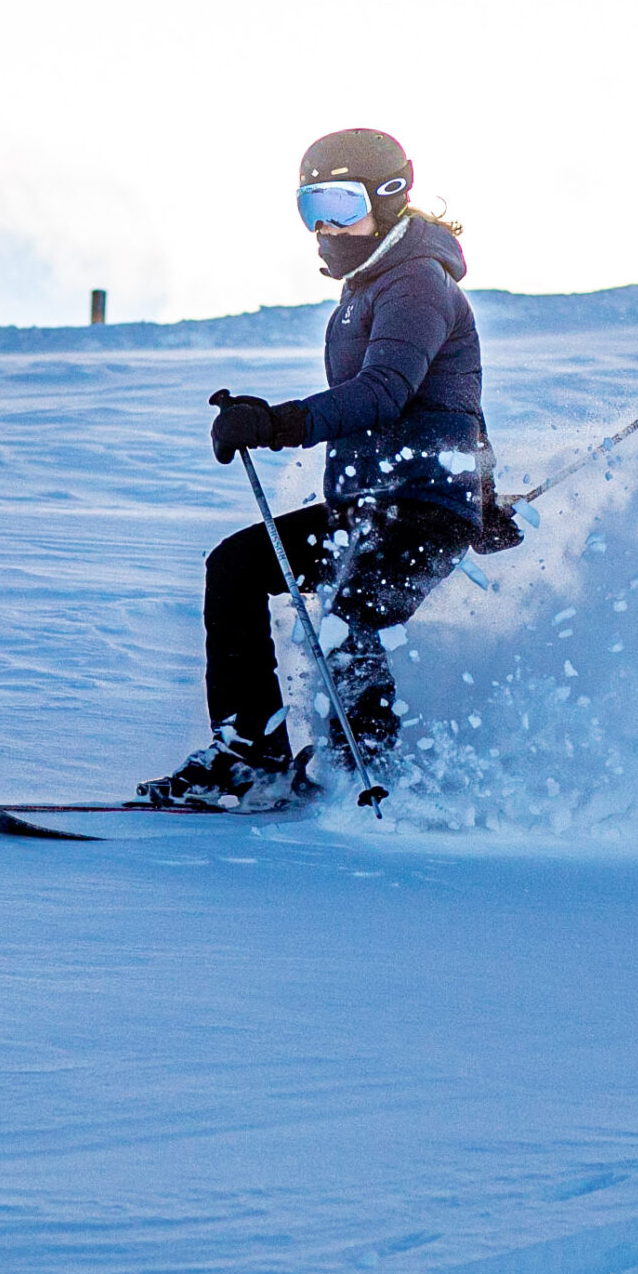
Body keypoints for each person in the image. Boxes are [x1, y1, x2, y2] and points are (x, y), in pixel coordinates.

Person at [138, 127, 516, 810]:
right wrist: (485, 499)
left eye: (342, 205)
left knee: (351, 610)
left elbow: (383, 393)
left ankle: (368, 772)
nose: (326, 227)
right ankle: (250, 756)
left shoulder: (416, 283)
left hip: (423, 509)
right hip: (366, 505)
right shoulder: (365, 290)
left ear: (390, 195)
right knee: (237, 567)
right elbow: (462, 398)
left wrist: (276, 423)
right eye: (311, 208)